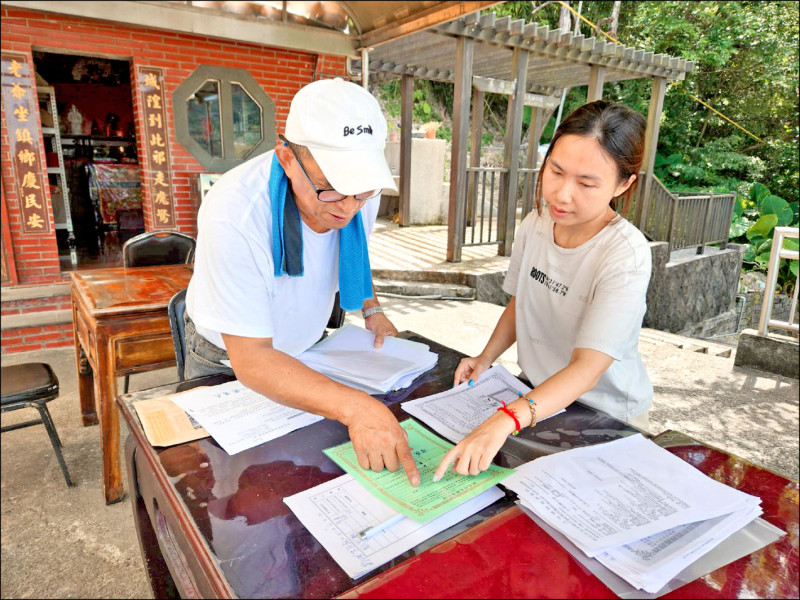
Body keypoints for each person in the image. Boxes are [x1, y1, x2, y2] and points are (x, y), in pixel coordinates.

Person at [185, 78, 420, 487]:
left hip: (308, 351)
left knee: (304, 473)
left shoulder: (357, 191)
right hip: (227, 360)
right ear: (286, 159)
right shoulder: (234, 213)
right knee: (237, 485)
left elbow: (356, 254)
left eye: (361, 192)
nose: (349, 207)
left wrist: (372, 308)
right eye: (330, 190)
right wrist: (358, 408)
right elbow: (253, 359)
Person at [434, 100, 653, 481]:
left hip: (605, 414)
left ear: (623, 184)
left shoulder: (626, 255)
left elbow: (587, 368)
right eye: (556, 171)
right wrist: (486, 357)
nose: (562, 195)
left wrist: (503, 421)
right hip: (539, 398)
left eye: (586, 183)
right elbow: (523, 300)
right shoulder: (535, 224)